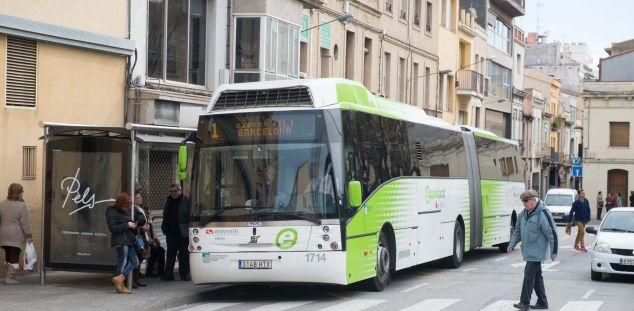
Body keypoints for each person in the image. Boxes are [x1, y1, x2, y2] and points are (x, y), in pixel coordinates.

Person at [508, 190, 558, 311]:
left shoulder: (543, 213)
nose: (524, 203)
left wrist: (554, 252)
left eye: (526, 200)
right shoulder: (522, 215)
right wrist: (512, 244)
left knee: (529, 274)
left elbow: (552, 233)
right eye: (523, 201)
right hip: (528, 251)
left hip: (538, 251)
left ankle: (524, 302)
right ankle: (542, 302)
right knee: (537, 277)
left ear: (534, 200)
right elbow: (517, 231)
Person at [106, 193, 146, 294]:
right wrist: (127, 225)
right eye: (125, 206)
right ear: (120, 204)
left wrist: (133, 224)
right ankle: (120, 285)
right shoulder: (111, 211)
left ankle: (120, 278)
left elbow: (140, 218)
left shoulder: (127, 211)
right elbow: (113, 228)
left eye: (128, 206)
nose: (127, 208)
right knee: (122, 263)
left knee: (135, 261)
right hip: (121, 241)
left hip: (129, 240)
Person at [0, 183, 33, 284]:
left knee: (8, 255)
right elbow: (25, 223)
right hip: (15, 236)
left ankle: (8, 275)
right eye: (22, 191)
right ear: (18, 193)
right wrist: (29, 236)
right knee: (14, 257)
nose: (22, 193)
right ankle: (10, 277)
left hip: (3, 235)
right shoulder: (22, 206)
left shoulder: (2, 204)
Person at [161, 183, 191, 281]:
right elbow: (165, 215)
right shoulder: (168, 200)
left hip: (182, 232)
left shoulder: (186, 200)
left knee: (183, 254)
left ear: (180, 191)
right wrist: (164, 227)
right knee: (170, 253)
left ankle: (184, 274)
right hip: (170, 232)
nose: (173, 193)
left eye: (175, 191)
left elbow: (190, 214)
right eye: (171, 191)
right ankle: (168, 274)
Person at [143, 205, 165, 277]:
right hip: (143, 243)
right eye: (146, 213)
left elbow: (153, 233)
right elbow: (144, 236)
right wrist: (153, 243)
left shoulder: (149, 221)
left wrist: (156, 240)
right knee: (154, 251)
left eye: (149, 213)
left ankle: (161, 270)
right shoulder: (142, 222)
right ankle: (150, 270)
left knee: (161, 250)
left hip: (150, 242)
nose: (148, 215)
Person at [132, 192, 148, 288]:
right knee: (137, 256)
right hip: (138, 236)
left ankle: (137, 279)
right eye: (138, 197)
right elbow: (136, 224)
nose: (140, 199)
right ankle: (133, 279)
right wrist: (142, 228)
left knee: (141, 256)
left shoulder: (140, 209)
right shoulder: (133, 210)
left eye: (140, 197)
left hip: (142, 236)